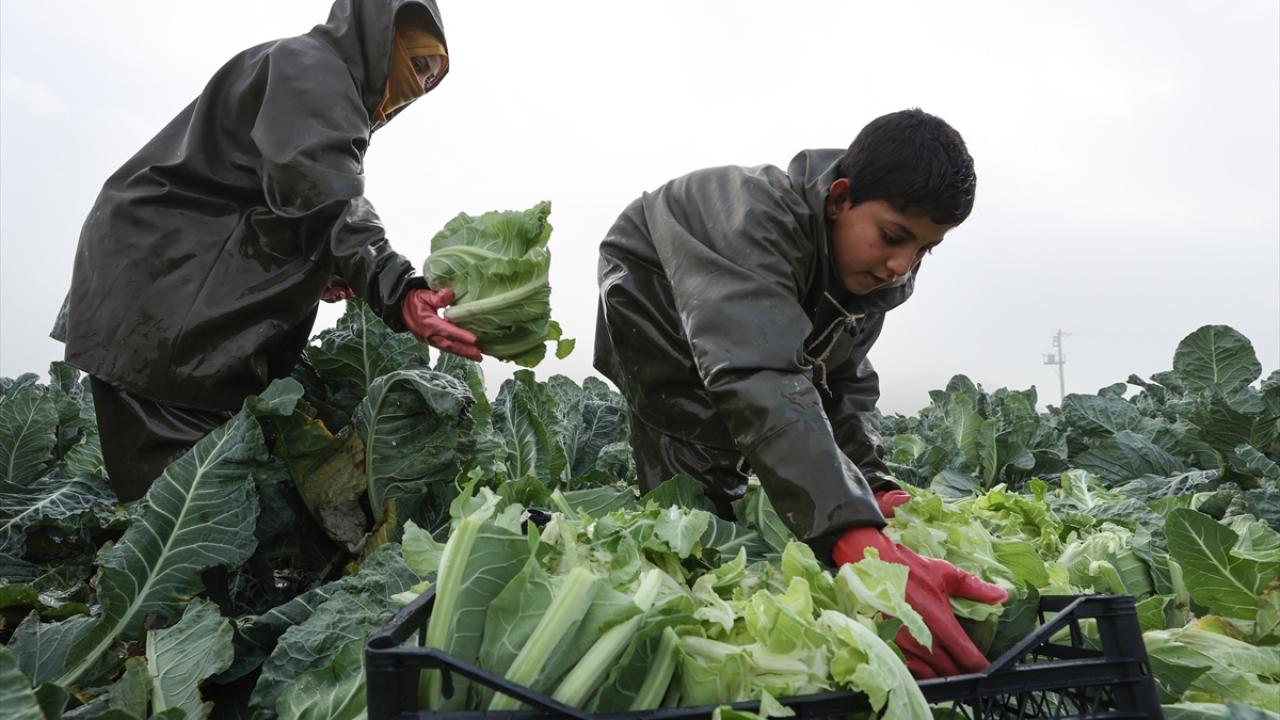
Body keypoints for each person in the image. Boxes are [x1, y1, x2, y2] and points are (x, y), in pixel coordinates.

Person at [594, 108, 1007, 678]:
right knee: (697, 464)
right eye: (893, 237)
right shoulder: (754, 220)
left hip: (766, 307)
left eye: (924, 249)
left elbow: (844, 379)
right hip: (654, 281)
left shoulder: (877, 267)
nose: (901, 265)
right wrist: (855, 537)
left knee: (803, 429)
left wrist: (877, 487)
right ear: (839, 199)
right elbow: (757, 372)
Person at [50, 0, 481, 504]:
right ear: (380, 35)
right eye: (418, 63)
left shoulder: (316, 82)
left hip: (170, 288)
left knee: (190, 501)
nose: (420, 85)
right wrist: (397, 286)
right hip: (167, 300)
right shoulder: (312, 69)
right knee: (185, 507)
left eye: (432, 79)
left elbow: (270, 198)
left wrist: (321, 269)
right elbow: (323, 190)